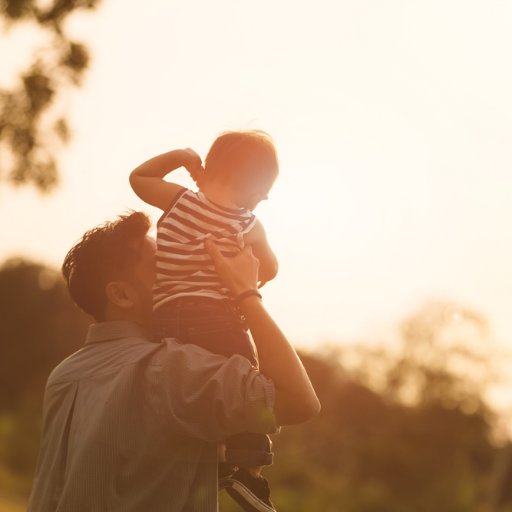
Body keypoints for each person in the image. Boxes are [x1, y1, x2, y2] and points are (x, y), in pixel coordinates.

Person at [27, 212, 320, 512]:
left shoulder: (64, 375)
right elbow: (300, 401)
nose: (183, 272)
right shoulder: (170, 368)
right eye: (163, 265)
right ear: (122, 295)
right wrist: (246, 293)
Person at [130, 131, 281, 510]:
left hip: (166, 321)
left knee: (186, 385)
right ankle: (250, 472)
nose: (263, 199)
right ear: (254, 188)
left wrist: (182, 156)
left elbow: (139, 178)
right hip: (220, 321)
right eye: (264, 191)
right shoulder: (248, 223)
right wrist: (254, 270)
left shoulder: (178, 200)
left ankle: (208, 457)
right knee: (249, 386)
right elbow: (273, 268)